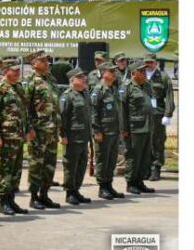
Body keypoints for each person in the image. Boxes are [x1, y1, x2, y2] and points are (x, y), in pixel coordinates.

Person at [0, 59, 32, 215]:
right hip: (6, 136)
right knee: (5, 169)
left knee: (16, 169)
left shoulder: (19, 87)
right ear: (6, 70)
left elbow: (24, 111)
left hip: (18, 135)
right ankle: (3, 202)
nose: (17, 73)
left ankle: (12, 200)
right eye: (14, 70)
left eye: (18, 70)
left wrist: (28, 130)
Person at [23, 50, 62, 210]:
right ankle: (34, 197)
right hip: (38, 131)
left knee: (49, 164)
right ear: (34, 64)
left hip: (52, 130)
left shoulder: (50, 79)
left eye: (47, 60)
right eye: (44, 61)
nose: (47, 63)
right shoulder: (30, 81)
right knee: (36, 164)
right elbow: (25, 108)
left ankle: (44, 194)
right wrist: (29, 128)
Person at [90, 63, 125, 200]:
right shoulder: (98, 90)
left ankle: (109, 185)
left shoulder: (113, 89)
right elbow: (93, 112)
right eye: (111, 71)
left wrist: (120, 129)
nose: (114, 74)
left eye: (115, 71)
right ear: (104, 73)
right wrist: (96, 130)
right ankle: (102, 187)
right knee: (102, 160)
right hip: (103, 132)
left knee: (111, 160)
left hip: (114, 131)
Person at [121, 61, 157, 195]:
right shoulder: (127, 87)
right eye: (141, 71)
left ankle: (140, 181)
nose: (144, 73)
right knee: (133, 156)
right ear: (133, 73)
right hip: (134, 128)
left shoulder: (147, 85)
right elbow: (122, 109)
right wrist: (123, 129)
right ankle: (131, 183)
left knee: (144, 157)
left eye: (144, 71)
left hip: (147, 126)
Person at [59, 68, 93, 205]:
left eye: (84, 77)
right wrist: (63, 135)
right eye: (80, 77)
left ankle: (76, 189)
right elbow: (62, 117)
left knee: (81, 165)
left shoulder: (84, 94)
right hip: (72, 137)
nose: (84, 79)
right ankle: (69, 192)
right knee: (71, 166)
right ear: (72, 81)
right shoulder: (67, 96)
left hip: (83, 137)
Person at [144, 54, 175, 181]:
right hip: (143, 114)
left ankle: (156, 168)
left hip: (157, 113)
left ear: (156, 63)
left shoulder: (163, 77)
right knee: (145, 141)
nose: (148, 65)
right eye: (146, 63)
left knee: (157, 141)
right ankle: (146, 168)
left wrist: (168, 114)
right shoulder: (140, 75)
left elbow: (169, 97)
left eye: (151, 62)